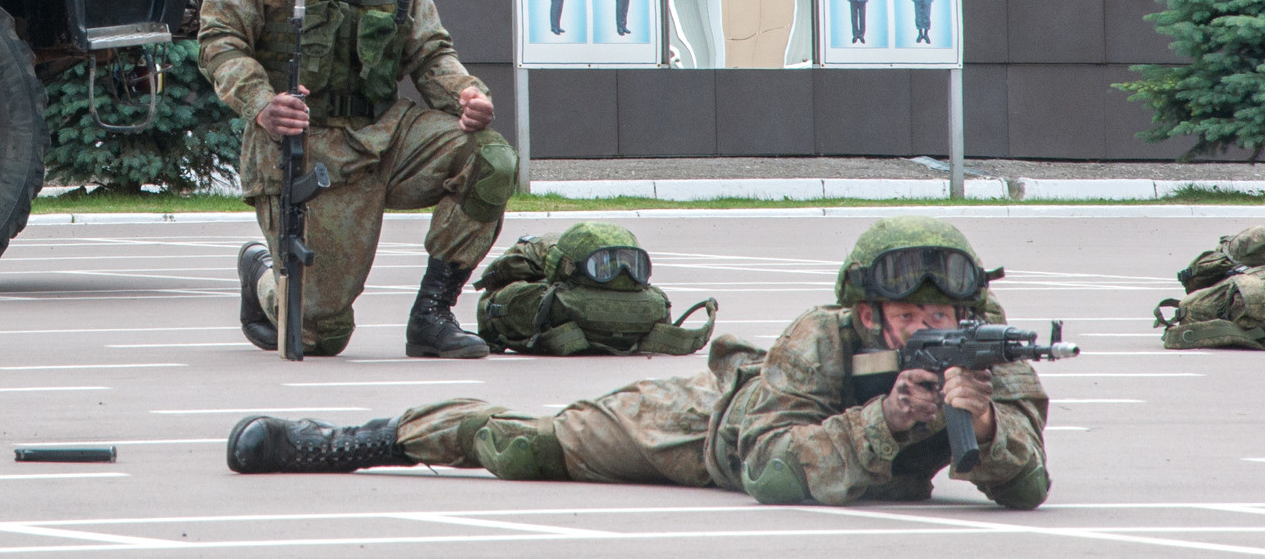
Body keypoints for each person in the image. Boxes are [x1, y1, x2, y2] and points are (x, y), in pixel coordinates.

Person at [226, 216, 1053, 514]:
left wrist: (982, 424)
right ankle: (361, 438)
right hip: (702, 428)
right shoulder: (822, 337)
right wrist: (887, 420)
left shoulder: (985, 346)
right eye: (909, 316)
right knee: (529, 445)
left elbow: (1028, 485)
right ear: (869, 312)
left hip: (772, 440)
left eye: (943, 315)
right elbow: (765, 469)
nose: (929, 327)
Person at [198, 0, 514, 359]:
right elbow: (220, 41)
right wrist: (262, 103)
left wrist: (465, 94)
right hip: (304, 149)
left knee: (490, 158)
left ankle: (432, 315)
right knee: (320, 333)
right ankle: (264, 278)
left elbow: (429, 50)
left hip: (384, 135)